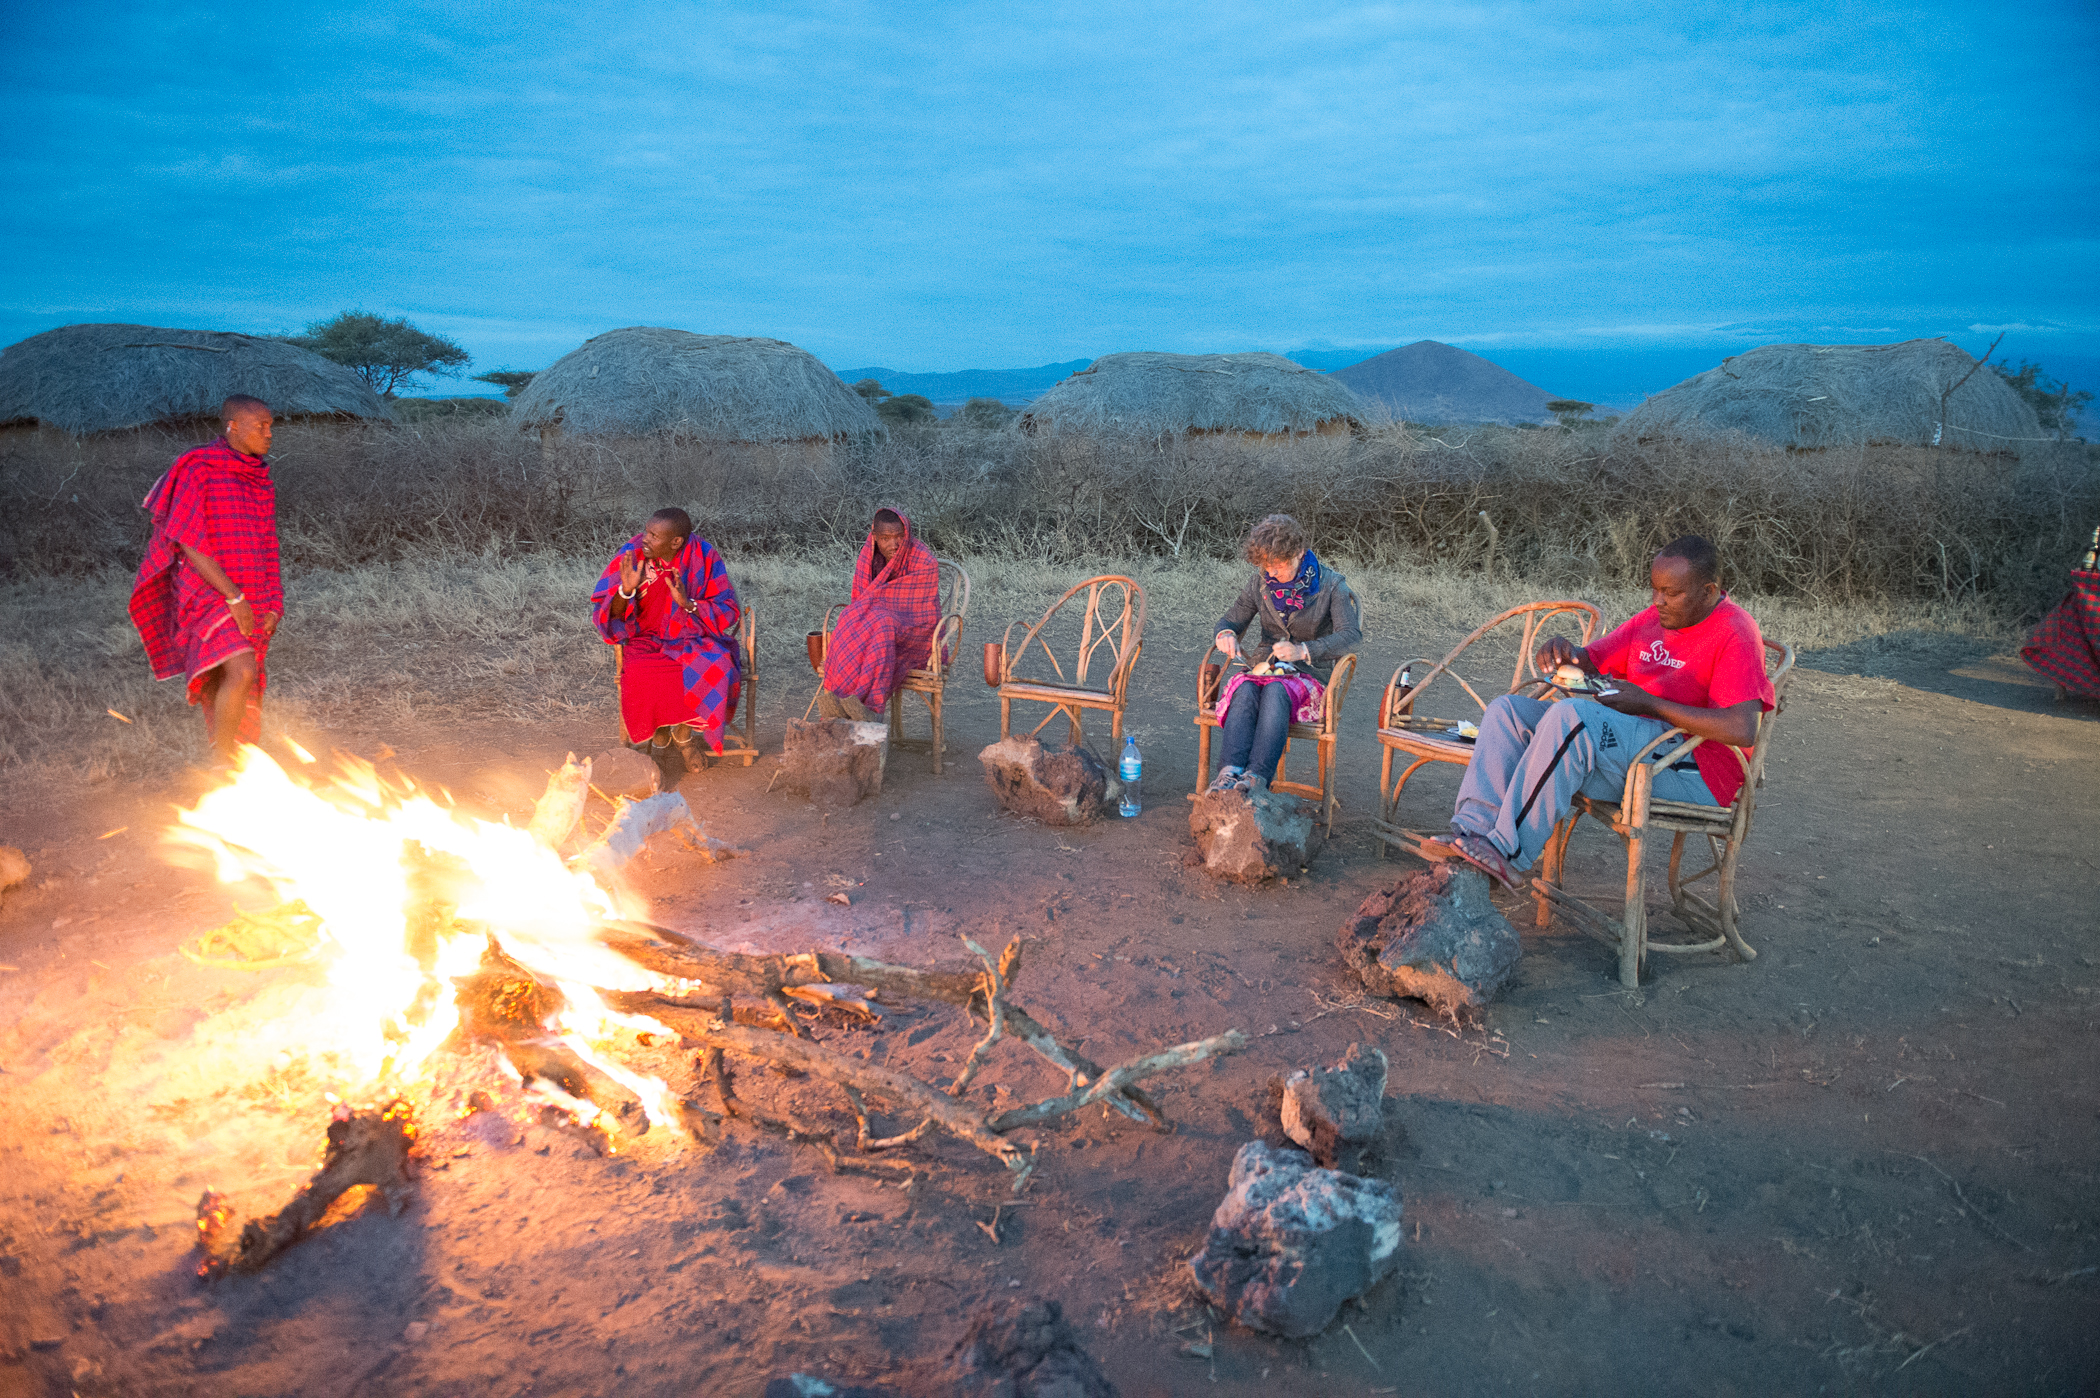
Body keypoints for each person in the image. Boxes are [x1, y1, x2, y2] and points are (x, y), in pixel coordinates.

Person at [1423, 535, 1776, 888]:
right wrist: (1564, 651)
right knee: (1507, 711)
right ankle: (1472, 833)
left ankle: (1505, 851)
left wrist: (1650, 703)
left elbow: (1741, 728)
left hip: (1694, 769)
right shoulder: (1654, 620)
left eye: (1671, 593)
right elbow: (1590, 661)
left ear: (1708, 590)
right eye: (1654, 590)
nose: (1658, 601)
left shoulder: (1735, 631)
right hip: (1635, 752)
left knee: (1572, 718)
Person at [128, 395, 284, 767]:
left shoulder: (259, 478)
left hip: (254, 589)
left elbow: (268, 543)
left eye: (271, 427)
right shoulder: (198, 467)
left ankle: (232, 755)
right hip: (208, 588)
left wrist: (275, 602)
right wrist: (233, 596)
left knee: (233, 674)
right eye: (259, 425)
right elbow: (185, 538)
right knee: (242, 668)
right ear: (232, 426)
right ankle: (224, 759)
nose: (268, 433)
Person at [1208, 513, 1362, 791]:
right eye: (1266, 566)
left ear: (1299, 553)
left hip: (1311, 674)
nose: (1271, 573)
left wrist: (1303, 650)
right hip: (1264, 669)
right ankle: (1228, 775)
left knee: (1276, 691)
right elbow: (1231, 620)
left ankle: (1255, 779)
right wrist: (1226, 634)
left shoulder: (1331, 585)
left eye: (1279, 565)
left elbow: (1351, 638)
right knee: (1244, 690)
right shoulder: (1260, 583)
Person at [591, 508, 742, 774]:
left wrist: (688, 603)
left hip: (690, 634)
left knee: (716, 664)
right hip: (643, 637)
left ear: (676, 542)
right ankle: (660, 740)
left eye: (653, 535)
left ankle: (684, 737)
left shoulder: (704, 556)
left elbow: (727, 608)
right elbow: (608, 614)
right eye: (646, 531)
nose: (644, 539)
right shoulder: (632, 554)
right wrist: (625, 591)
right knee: (641, 674)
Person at [817, 507, 941, 721]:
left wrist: (877, 610)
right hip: (879, 624)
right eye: (885, 538)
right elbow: (861, 601)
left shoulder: (925, 560)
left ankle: (871, 707)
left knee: (880, 622)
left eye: (899, 537)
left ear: (907, 534)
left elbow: (921, 611)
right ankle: (842, 699)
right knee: (849, 617)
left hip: (917, 631)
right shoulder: (869, 556)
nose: (893, 544)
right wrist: (872, 611)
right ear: (874, 536)